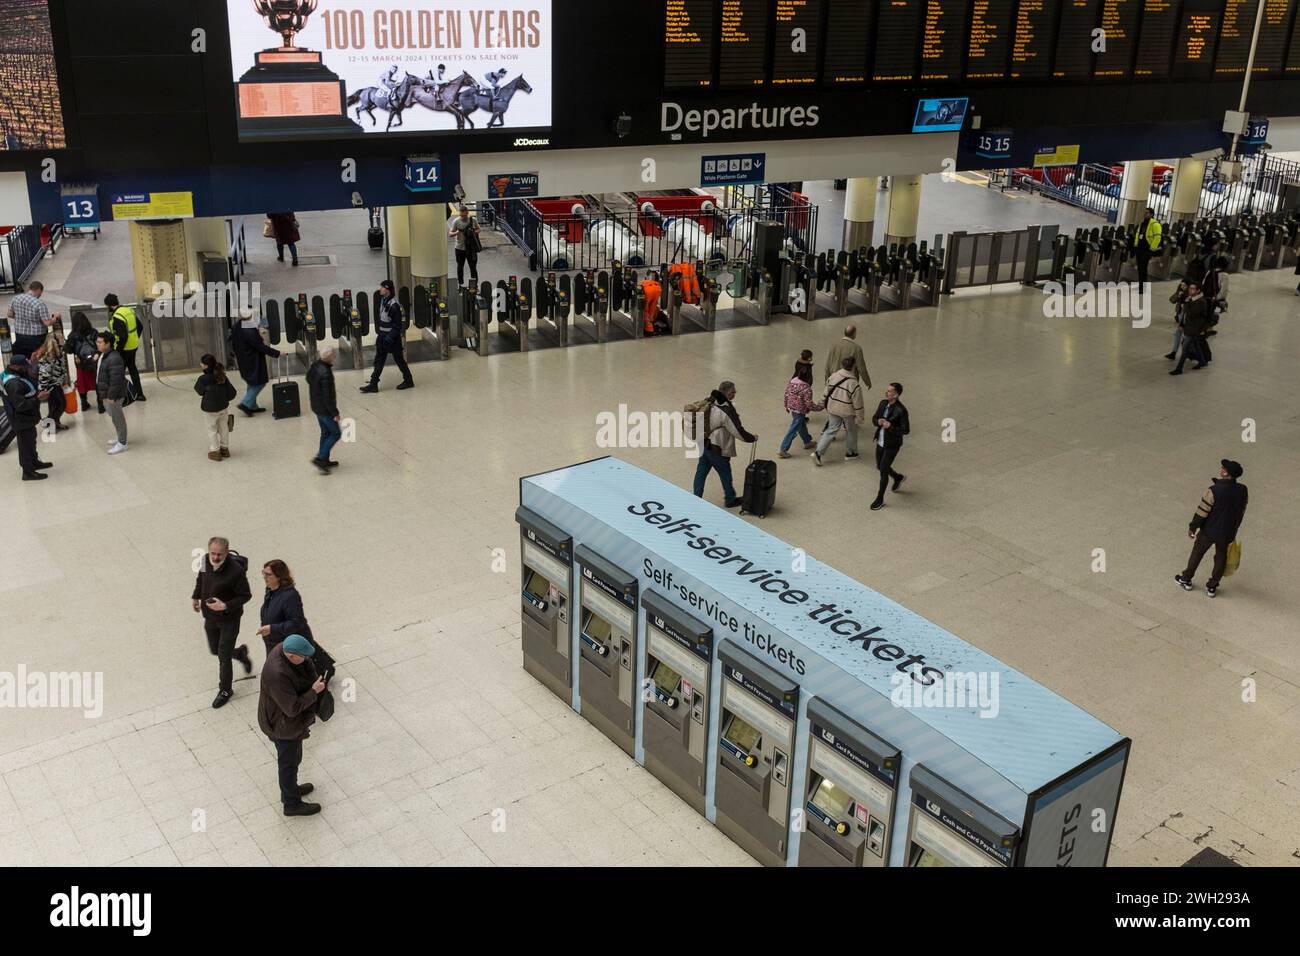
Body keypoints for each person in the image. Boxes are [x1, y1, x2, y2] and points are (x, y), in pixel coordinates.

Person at [258, 634, 326, 817]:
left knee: (294, 759)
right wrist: (314, 691)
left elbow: (305, 668)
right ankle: (291, 803)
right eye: (303, 657)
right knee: (288, 763)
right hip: (282, 726)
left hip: (287, 723)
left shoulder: (285, 648)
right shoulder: (277, 673)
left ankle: (291, 789)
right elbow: (292, 708)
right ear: (292, 656)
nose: (306, 660)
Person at [191, 536, 253, 708]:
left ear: (226, 553)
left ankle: (225, 690)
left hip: (229, 620)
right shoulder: (204, 560)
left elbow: (246, 595)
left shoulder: (236, 571)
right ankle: (240, 654)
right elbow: (201, 580)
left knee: (223, 657)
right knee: (214, 650)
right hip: (210, 616)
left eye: (219, 554)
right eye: (213, 553)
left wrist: (225, 605)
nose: (215, 557)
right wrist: (196, 596)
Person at [1175, 459, 1248, 598]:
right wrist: (1234, 527)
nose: (1221, 468)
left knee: (1197, 552)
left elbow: (1202, 511)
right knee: (1221, 557)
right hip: (1228, 532)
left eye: (1223, 468)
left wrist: (1193, 527)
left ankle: (1186, 578)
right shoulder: (1243, 490)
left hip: (1209, 530)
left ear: (1226, 473)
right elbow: (1242, 510)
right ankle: (1212, 586)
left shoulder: (1214, 490)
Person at [692, 381, 756, 508]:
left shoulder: (708, 401)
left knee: (701, 472)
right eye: (733, 392)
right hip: (717, 447)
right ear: (726, 393)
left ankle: (696, 497)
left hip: (704, 443)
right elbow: (737, 430)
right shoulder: (726, 410)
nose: (734, 394)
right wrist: (751, 438)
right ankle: (730, 499)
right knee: (725, 473)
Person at [359, 279, 414, 393]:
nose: (380, 289)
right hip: (382, 336)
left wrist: (389, 338)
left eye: (382, 287)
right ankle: (374, 384)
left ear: (387, 290)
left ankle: (408, 380)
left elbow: (397, 326)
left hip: (392, 338)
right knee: (379, 359)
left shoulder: (394, 306)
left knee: (399, 359)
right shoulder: (383, 301)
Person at [2, 360, 51, 480]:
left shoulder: (14, 375)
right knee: (25, 445)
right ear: (15, 366)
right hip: (21, 419)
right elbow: (20, 405)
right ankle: (28, 472)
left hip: (25, 419)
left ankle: (34, 462)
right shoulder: (13, 383)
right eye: (24, 366)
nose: (26, 369)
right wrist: (38, 399)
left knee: (31, 441)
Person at [813, 357, 865, 465]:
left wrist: (822, 402)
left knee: (831, 429)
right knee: (851, 430)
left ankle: (818, 453)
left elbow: (826, 391)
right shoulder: (853, 383)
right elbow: (858, 403)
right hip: (847, 411)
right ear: (854, 366)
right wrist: (860, 417)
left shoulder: (833, 376)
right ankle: (851, 453)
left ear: (842, 365)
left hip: (832, 408)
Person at [232, 308, 282, 415]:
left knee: (251, 381)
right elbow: (261, 347)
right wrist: (277, 353)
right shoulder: (249, 331)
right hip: (252, 360)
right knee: (260, 382)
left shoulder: (238, 325)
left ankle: (253, 406)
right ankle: (245, 403)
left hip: (242, 358)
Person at [257, 559, 314, 654]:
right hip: (275, 645)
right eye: (264, 573)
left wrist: (272, 628)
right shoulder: (270, 591)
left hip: (291, 649)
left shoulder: (290, 596)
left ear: (279, 576)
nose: (264, 577)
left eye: (268, 575)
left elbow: (297, 623)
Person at [869, 382, 910, 512]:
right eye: (887, 390)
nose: (887, 393)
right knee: (879, 466)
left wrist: (890, 427)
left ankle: (880, 499)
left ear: (897, 394)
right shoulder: (883, 403)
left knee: (883, 471)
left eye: (890, 391)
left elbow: (906, 430)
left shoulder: (901, 410)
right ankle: (897, 477)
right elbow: (874, 418)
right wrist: (878, 421)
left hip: (892, 444)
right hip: (880, 441)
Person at [194, 353, 237, 462]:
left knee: (212, 429)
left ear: (206, 366)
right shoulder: (222, 376)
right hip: (223, 408)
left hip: (210, 410)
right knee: (224, 427)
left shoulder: (203, 379)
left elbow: (199, 391)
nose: (201, 364)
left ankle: (215, 451)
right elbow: (232, 393)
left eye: (202, 363)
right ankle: (225, 449)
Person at [779, 350, 822, 459]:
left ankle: (807, 441)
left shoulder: (793, 381)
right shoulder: (806, 388)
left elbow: (786, 393)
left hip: (792, 407)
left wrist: (786, 405)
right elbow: (809, 404)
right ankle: (783, 449)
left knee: (801, 424)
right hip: (800, 409)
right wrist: (820, 407)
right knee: (793, 429)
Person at [103, 294, 145, 402]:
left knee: (118, 372)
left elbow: (122, 337)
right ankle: (140, 394)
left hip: (124, 349)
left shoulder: (117, 317)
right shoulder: (128, 310)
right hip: (133, 346)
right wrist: (135, 338)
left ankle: (123, 397)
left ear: (108, 305)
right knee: (132, 369)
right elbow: (140, 326)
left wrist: (117, 351)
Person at [307, 347, 342, 473]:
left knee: (325, 432)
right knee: (336, 433)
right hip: (324, 409)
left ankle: (325, 460)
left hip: (316, 405)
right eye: (334, 356)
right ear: (330, 357)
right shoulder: (326, 373)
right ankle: (320, 458)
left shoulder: (315, 365)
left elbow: (308, 379)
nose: (335, 358)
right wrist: (335, 413)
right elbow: (328, 397)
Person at [95, 332, 129, 454]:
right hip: (107, 394)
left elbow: (116, 380)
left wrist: (111, 396)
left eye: (100, 342)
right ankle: (120, 437)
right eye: (97, 341)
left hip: (113, 396)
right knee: (114, 417)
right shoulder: (104, 355)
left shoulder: (114, 358)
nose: (97, 344)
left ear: (108, 343)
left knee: (118, 418)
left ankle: (123, 443)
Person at [5, 280, 57, 360]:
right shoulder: (39, 304)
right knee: (36, 360)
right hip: (36, 338)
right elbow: (47, 323)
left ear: (30, 288)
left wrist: (20, 317)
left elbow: (10, 314)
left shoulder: (16, 299)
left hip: (20, 336)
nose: (40, 295)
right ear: (39, 290)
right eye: (41, 293)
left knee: (23, 359)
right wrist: (55, 318)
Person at [1169, 281, 1209, 375]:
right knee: (1196, 345)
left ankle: (1179, 369)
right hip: (1189, 327)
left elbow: (1191, 313)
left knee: (1185, 348)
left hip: (1194, 329)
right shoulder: (1191, 299)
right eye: (1190, 288)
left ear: (1198, 290)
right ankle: (1202, 361)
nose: (1190, 290)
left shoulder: (1201, 302)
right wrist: (1182, 324)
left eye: (1193, 289)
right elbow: (1185, 314)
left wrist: (1186, 303)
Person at [34, 333, 70, 433]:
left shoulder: (59, 350)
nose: (64, 339)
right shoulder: (49, 355)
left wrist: (63, 381)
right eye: (62, 338)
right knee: (60, 404)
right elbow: (44, 374)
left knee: (57, 405)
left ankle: (55, 422)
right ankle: (49, 423)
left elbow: (61, 367)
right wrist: (43, 389)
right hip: (50, 385)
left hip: (56, 382)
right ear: (55, 341)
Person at [65, 311, 101, 413]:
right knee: (97, 381)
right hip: (94, 361)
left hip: (80, 363)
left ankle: (84, 404)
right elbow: (99, 345)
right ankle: (101, 404)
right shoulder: (93, 332)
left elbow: (68, 350)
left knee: (82, 384)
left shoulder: (73, 335)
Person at [448, 203, 482, 288]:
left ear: (467, 213)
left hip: (471, 248)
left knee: (473, 267)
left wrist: (473, 231)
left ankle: (474, 285)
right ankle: (460, 283)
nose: (463, 217)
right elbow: (450, 233)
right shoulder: (456, 221)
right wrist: (456, 232)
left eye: (464, 216)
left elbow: (479, 229)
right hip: (459, 248)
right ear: (459, 214)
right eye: (461, 216)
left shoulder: (473, 220)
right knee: (460, 267)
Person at [1201, 254, 1228, 342]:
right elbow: (1224, 290)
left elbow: (1203, 283)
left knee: (1207, 311)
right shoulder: (1225, 275)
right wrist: (1218, 299)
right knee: (1213, 312)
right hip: (1214, 298)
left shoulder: (1210, 271)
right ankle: (1207, 329)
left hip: (1206, 296)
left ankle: (1208, 329)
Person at [1134, 206, 1162, 288]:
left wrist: (1151, 249)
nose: (1145, 214)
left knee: (1143, 268)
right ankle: (1140, 285)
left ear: (1151, 214)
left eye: (1147, 213)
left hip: (1147, 250)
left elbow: (1157, 237)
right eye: (1144, 212)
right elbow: (1137, 234)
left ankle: (1143, 287)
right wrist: (1136, 245)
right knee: (1139, 268)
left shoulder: (1155, 224)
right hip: (1139, 249)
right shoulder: (1142, 223)